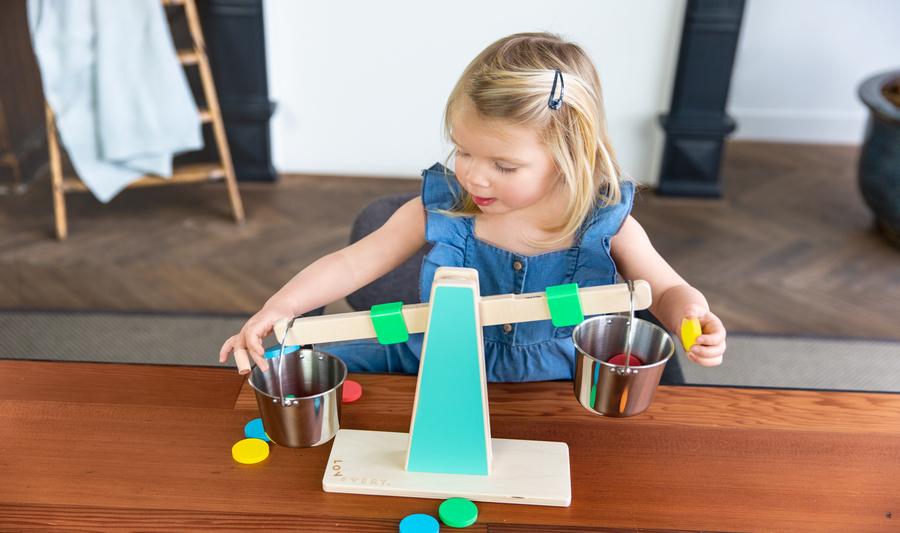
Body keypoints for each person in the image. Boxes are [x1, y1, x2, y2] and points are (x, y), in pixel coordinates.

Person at [219, 32, 726, 382]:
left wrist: (691, 316)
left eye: (504, 165)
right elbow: (352, 262)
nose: (473, 175)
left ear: (569, 156)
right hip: (430, 359)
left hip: (559, 379)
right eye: (463, 150)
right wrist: (281, 306)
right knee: (288, 363)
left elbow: (664, 290)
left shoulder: (605, 223)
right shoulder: (441, 207)